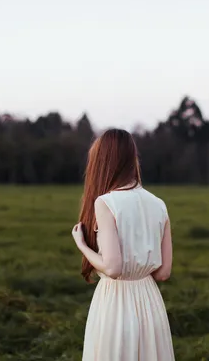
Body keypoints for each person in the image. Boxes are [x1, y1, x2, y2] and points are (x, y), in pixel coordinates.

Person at [71, 128, 175, 361]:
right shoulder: (159, 204)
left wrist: (82, 246)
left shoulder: (106, 203)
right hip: (150, 302)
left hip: (115, 303)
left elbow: (113, 268)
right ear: (132, 159)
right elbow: (164, 272)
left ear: (102, 162)